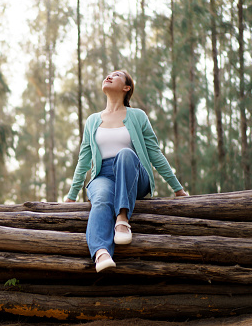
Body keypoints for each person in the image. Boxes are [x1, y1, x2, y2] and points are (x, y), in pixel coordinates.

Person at [65, 70, 188, 273]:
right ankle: (101, 253)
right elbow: (84, 160)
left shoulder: (137, 116)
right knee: (102, 197)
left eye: (117, 75)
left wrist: (178, 189)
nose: (109, 76)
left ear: (126, 87)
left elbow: (155, 154)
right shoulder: (92, 121)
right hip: (103, 175)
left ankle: (122, 219)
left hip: (133, 174)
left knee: (125, 154)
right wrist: (71, 195)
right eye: (107, 74)